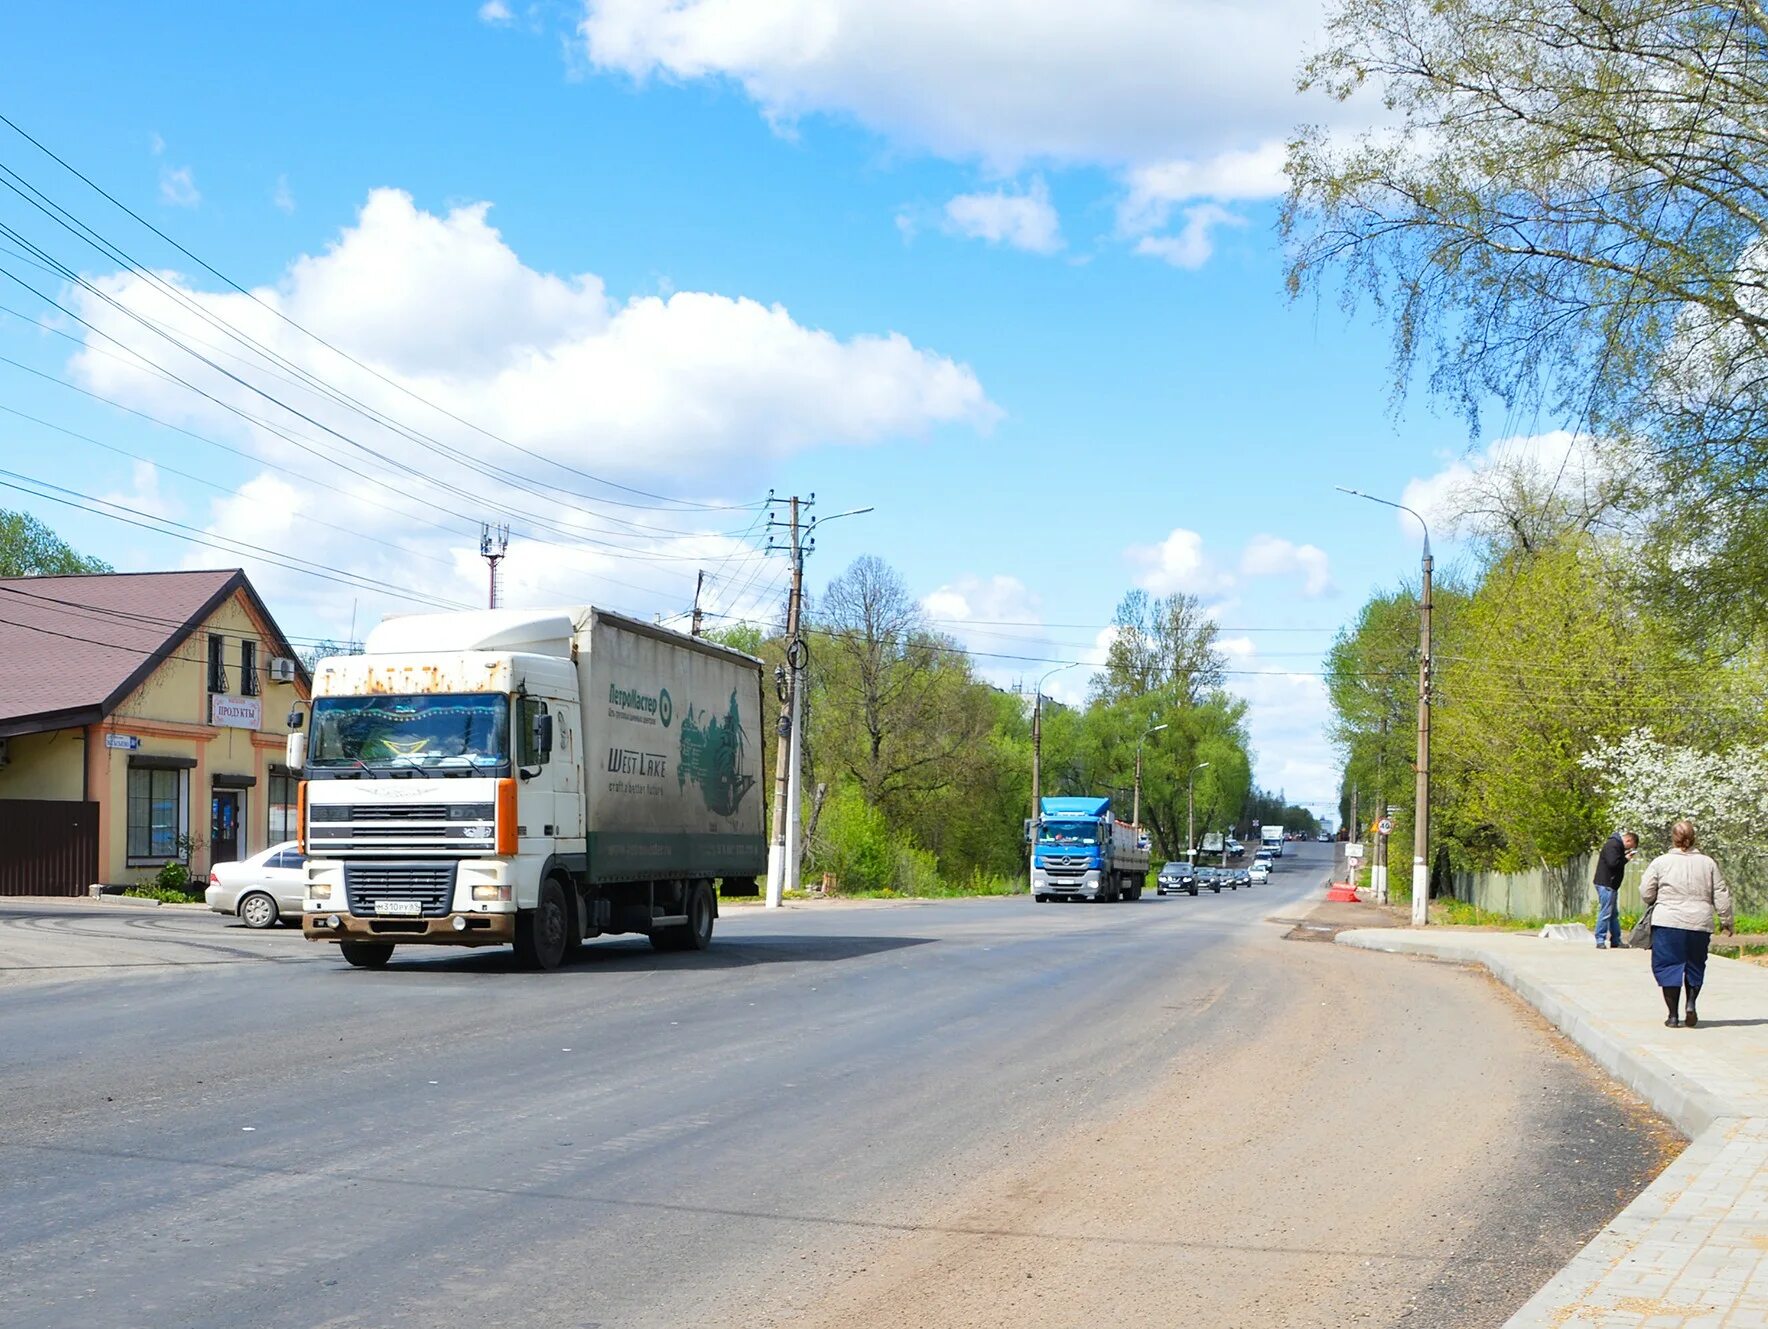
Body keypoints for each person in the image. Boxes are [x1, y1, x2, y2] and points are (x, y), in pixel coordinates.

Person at [1640, 821, 1735, 1028]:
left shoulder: (1661, 862)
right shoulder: (1708, 863)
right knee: (1695, 965)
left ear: (1673, 838)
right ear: (1694, 838)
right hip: (1699, 923)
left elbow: (1646, 892)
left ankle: (1673, 1016)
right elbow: (1720, 893)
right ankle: (1691, 1004)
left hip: (1668, 922)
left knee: (1668, 966)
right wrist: (1726, 920)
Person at [1591, 830, 1639, 949]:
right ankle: (1600, 939)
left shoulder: (1614, 845)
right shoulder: (1613, 845)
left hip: (1609, 884)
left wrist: (1623, 856)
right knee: (1606, 912)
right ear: (1628, 840)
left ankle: (1616, 940)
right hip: (1607, 883)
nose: (1628, 848)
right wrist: (1626, 858)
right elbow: (1613, 863)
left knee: (1612, 914)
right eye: (1630, 846)